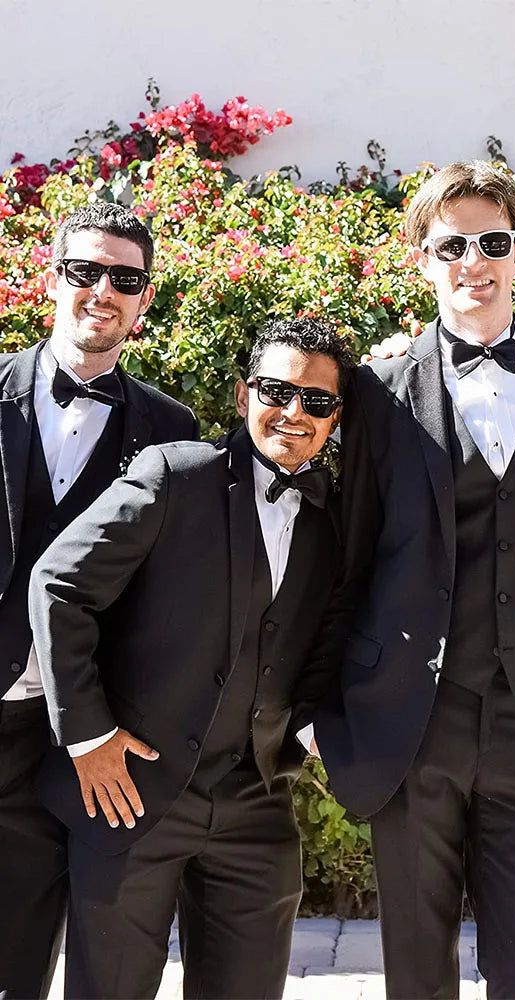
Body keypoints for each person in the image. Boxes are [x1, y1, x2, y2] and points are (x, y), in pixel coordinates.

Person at [315, 160, 515, 999]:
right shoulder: (376, 390)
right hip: (415, 716)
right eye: (452, 246)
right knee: (417, 967)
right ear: (422, 260)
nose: (473, 262)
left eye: (493, 242)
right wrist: (321, 705)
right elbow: (345, 556)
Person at [27, 317, 353, 999]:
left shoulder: (333, 518)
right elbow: (59, 585)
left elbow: (322, 642)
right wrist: (88, 735)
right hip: (129, 792)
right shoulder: (175, 475)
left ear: (335, 415)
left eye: (317, 400)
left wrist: (311, 729)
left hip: (255, 803)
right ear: (243, 395)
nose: (294, 412)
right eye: (276, 391)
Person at [0, 202, 198, 999]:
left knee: (21, 960)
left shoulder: (171, 430)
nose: (103, 291)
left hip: (67, 739)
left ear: (145, 296)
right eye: (86, 271)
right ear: (52, 278)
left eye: (125, 278)